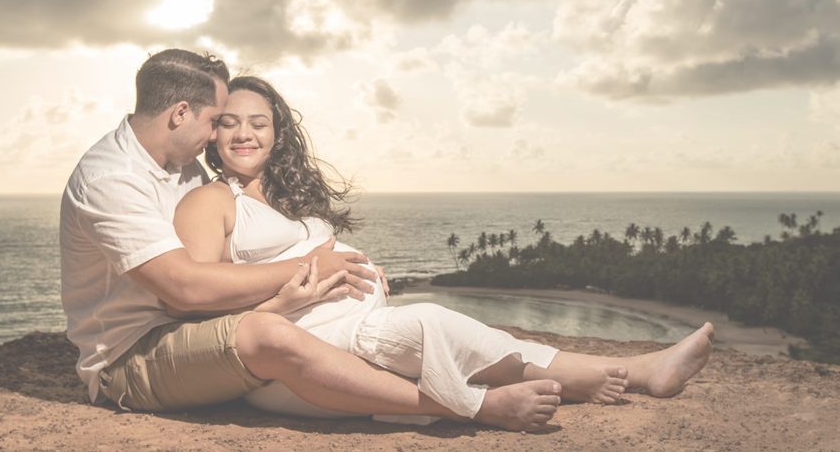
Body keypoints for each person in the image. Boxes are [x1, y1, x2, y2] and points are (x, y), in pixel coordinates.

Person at [59, 48, 564, 432]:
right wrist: (317, 267)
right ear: (180, 113)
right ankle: (465, 405)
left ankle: (572, 374)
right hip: (129, 359)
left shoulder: (177, 161)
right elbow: (185, 289)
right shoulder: (112, 179)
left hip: (184, 330)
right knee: (269, 337)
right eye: (215, 121)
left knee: (401, 330)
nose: (219, 137)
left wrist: (343, 262)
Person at [173, 75, 715, 424]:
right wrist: (286, 303)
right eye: (229, 123)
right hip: (305, 353)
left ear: (278, 133)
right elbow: (201, 311)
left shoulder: (285, 194)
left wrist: (357, 265)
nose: (244, 134)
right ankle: (634, 371)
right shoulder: (211, 201)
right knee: (434, 324)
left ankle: (607, 373)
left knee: (454, 337)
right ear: (212, 134)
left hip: (353, 330)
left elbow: (311, 251)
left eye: (258, 122)